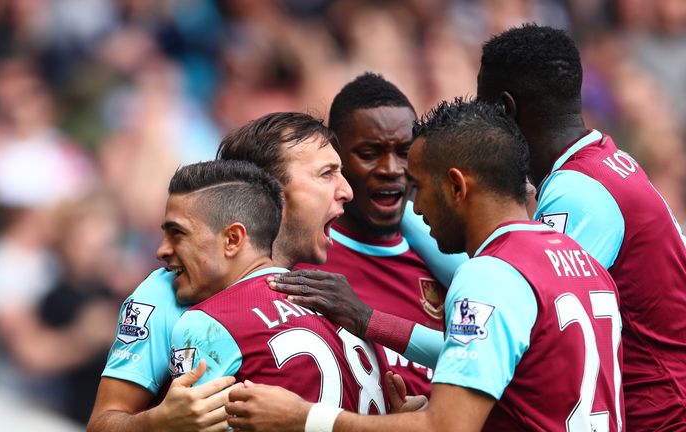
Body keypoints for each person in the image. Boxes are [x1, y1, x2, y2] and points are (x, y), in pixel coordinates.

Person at [226, 98, 624, 432]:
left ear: (456, 186)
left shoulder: (491, 275)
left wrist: (304, 418)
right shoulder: (583, 263)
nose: (412, 206)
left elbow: (446, 427)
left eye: (417, 186)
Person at [476, 24, 686, 430]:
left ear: (506, 109)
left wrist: (376, 321)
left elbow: (525, 334)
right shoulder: (606, 160)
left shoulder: (576, 191)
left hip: (661, 415)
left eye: (483, 111)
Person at [87, 112, 353, 432]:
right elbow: (102, 423)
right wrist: (157, 424)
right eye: (327, 174)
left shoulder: (330, 293)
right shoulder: (167, 292)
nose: (347, 190)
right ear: (271, 194)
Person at [166, 159, 387, 415]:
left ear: (232, 239)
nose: (162, 250)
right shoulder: (348, 313)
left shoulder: (207, 323)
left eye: (177, 233)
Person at [294, 72, 448, 397]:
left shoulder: (449, 257)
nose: (391, 168)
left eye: (404, 152)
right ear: (335, 159)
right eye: (369, 154)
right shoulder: (303, 260)